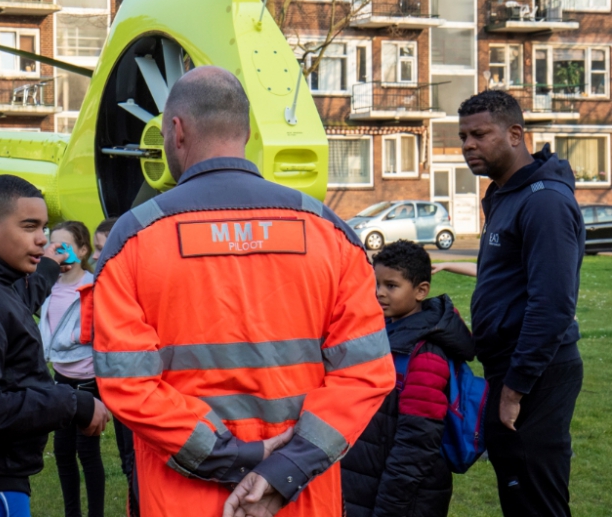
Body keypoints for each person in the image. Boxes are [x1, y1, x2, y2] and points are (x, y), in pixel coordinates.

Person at [91, 66, 395, 517]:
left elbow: (128, 383)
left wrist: (234, 457)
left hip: (182, 500)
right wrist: (284, 469)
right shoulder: (329, 232)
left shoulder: (134, 238)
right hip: (296, 497)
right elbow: (365, 374)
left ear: (176, 130)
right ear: (248, 131)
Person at [0, 175, 110, 517]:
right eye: (30, 226)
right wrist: (70, 402)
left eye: (43, 228)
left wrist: (46, 266)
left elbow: (17, 304)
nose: (41, 238)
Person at [457, 90, 585, 517]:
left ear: (515, 134)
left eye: (480, 134)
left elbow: (552, 305)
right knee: (518, 492)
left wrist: (515, 389)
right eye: (463, 137)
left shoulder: (543, 201)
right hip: (508, 367)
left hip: (535, 372)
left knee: (536, 499)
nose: (468, 145)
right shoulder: (504, 194)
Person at [341, 240, 475, 517]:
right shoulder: (383, 333)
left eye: (391, 286)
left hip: (402, 497)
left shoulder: (426, 355)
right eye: (375, 284)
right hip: (367, 483)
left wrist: (390, 508)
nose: (379, 293)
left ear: (421, 290)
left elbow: (418, 442)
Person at [39, 221, 104, 517]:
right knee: (63, 453)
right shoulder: (47, 287)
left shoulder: (95, 286)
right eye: (54, 247)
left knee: (87, 453)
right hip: (61, 379)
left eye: (65, 247)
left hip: (88, 382)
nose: (59, 254)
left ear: (82, 250)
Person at [92, 217, 141, 517]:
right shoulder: (103, 285)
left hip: (138, 387)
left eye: (102, 248)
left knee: (137, 458)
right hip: (119, 387)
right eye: (96, 249)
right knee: (127, 459)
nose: (97, 256)